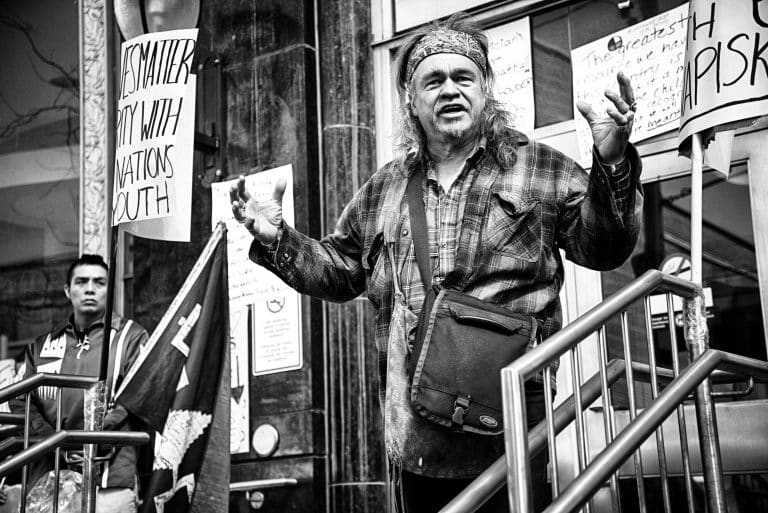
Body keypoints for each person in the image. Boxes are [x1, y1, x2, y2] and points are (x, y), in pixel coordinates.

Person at [231, 12, 642, 513]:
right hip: (415, 423)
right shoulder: (383, 187)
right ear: (411, 97)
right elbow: (341, 271)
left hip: (510, 416)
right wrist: (279, 239)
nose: (450, 90)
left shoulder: (539, 166)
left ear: (485, 87)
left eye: (463, 77)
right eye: (434, 80)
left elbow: (605, 249)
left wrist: (614, 164)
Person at [11, 254, 148, 513]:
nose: (89, 289)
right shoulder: (42, 346)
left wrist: (89, 438)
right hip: (48, 475)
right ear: (67, 290)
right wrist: (54, 442)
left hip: (110, 475)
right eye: (81, 281)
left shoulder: (132, 337)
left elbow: (138, 395)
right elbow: (21, 401)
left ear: (110, 290)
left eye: (99, 282)